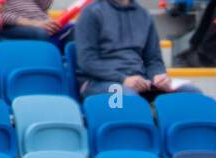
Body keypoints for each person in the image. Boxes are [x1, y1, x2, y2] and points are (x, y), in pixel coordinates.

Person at [73, 0, 201, 98]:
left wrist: (158, 77)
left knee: (191, 93)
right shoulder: (91, 13)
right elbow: (87, 62)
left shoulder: (144, 15)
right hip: (99, 84)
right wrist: (123, 80)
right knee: (126, 99)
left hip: (139, 82)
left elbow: (153, 60)